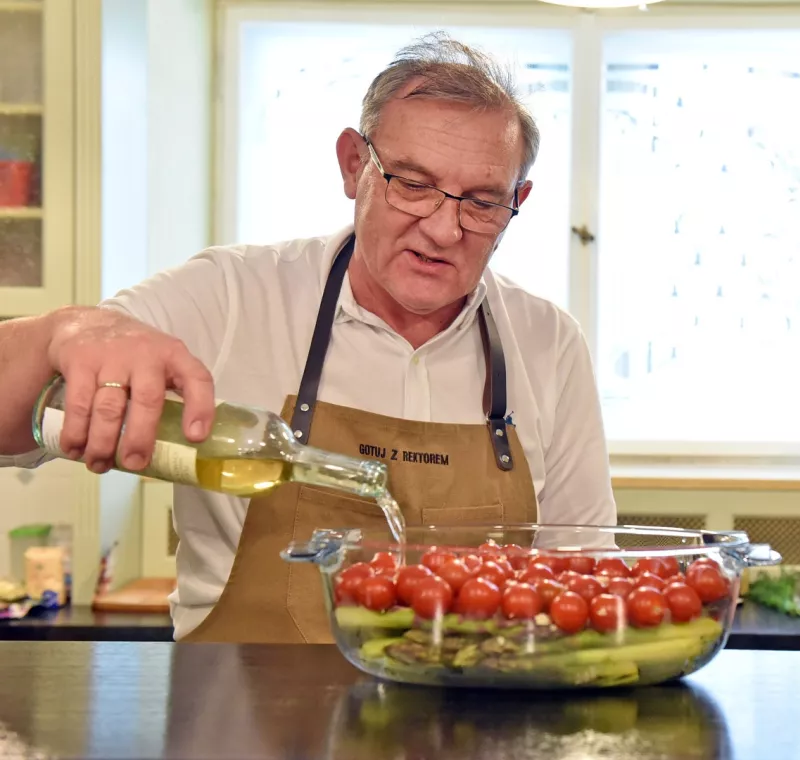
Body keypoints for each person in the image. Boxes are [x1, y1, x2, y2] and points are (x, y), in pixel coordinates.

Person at [0, 33, 617, 642]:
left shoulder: (549, 344)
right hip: (242, 730)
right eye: (413, 183)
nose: (443, 230)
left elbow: (580, 579)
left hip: (473, 729)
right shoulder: (230, 297)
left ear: (518, 199)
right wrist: (63, 332)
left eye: (482, 201)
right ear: (355, 165)